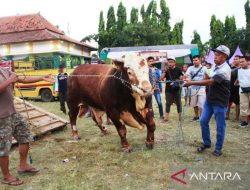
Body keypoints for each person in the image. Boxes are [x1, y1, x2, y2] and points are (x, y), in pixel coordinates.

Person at [0, 56, 53, 185]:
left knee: (25, 134)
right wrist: (9, 81)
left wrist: (42, 78)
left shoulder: (4, 71)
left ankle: (23, 165)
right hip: (1, 117)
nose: (1, 56)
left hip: (12, 113)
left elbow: (22, 79)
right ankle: (6, 176)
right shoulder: (7, 74)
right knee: (3, 147)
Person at [184, 45, 231, 157]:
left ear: (224, 56)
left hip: (220, 101)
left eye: (218, 55)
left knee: (220, 126)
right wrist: (193, 79)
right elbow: (207, 78)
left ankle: (218, 148)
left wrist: (191, 83)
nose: (214, 57)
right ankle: (207, 143)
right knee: (203, 121)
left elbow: (211, 82)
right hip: (210, 100)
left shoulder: (225, 69)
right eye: (215, 54)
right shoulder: (215, 66)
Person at [160, 56, 183, 122]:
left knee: (179, 103)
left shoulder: (178, 69)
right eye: (168, 62)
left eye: (171, 62)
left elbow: (181, 77)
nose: (170, 63)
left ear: (174, 62)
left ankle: (180, 117)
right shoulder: (166, 70)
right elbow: (161, 79)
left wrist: (180, 79)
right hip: (168, 90)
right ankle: (166, 118)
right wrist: (165, 71)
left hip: (177, 89)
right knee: (168, 103)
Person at [185, 55, 208, 121]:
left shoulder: (204, 68)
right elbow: (187, 75)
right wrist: (185, 77)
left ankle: (202, 117)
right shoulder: (190, 68)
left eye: (196, 60)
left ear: (200, 60)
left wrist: (206, 77)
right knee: (194, 103)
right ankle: (196, 116)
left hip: (202, 87)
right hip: (193, 87)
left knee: (201, 103)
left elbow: (209, 76)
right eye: (193, 60)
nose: (194, 62)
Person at [237, 56, 250, 128]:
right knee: (243, 106)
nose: (241, 63)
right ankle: (245, 122)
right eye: (240, 62)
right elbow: (239, 79)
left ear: (248, 62)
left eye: (242, 61)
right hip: (242, 90)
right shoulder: (239, 70)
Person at [226, 55, 241, 121]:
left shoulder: (242, 69)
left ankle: (237, 117)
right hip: (230, 87)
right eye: (234, 59)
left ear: (240, 60)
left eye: (236, 59)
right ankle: (227, 116)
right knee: (228, 102)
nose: (234, 60)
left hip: (238, 88)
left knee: (237, 103)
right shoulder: (229, 68)